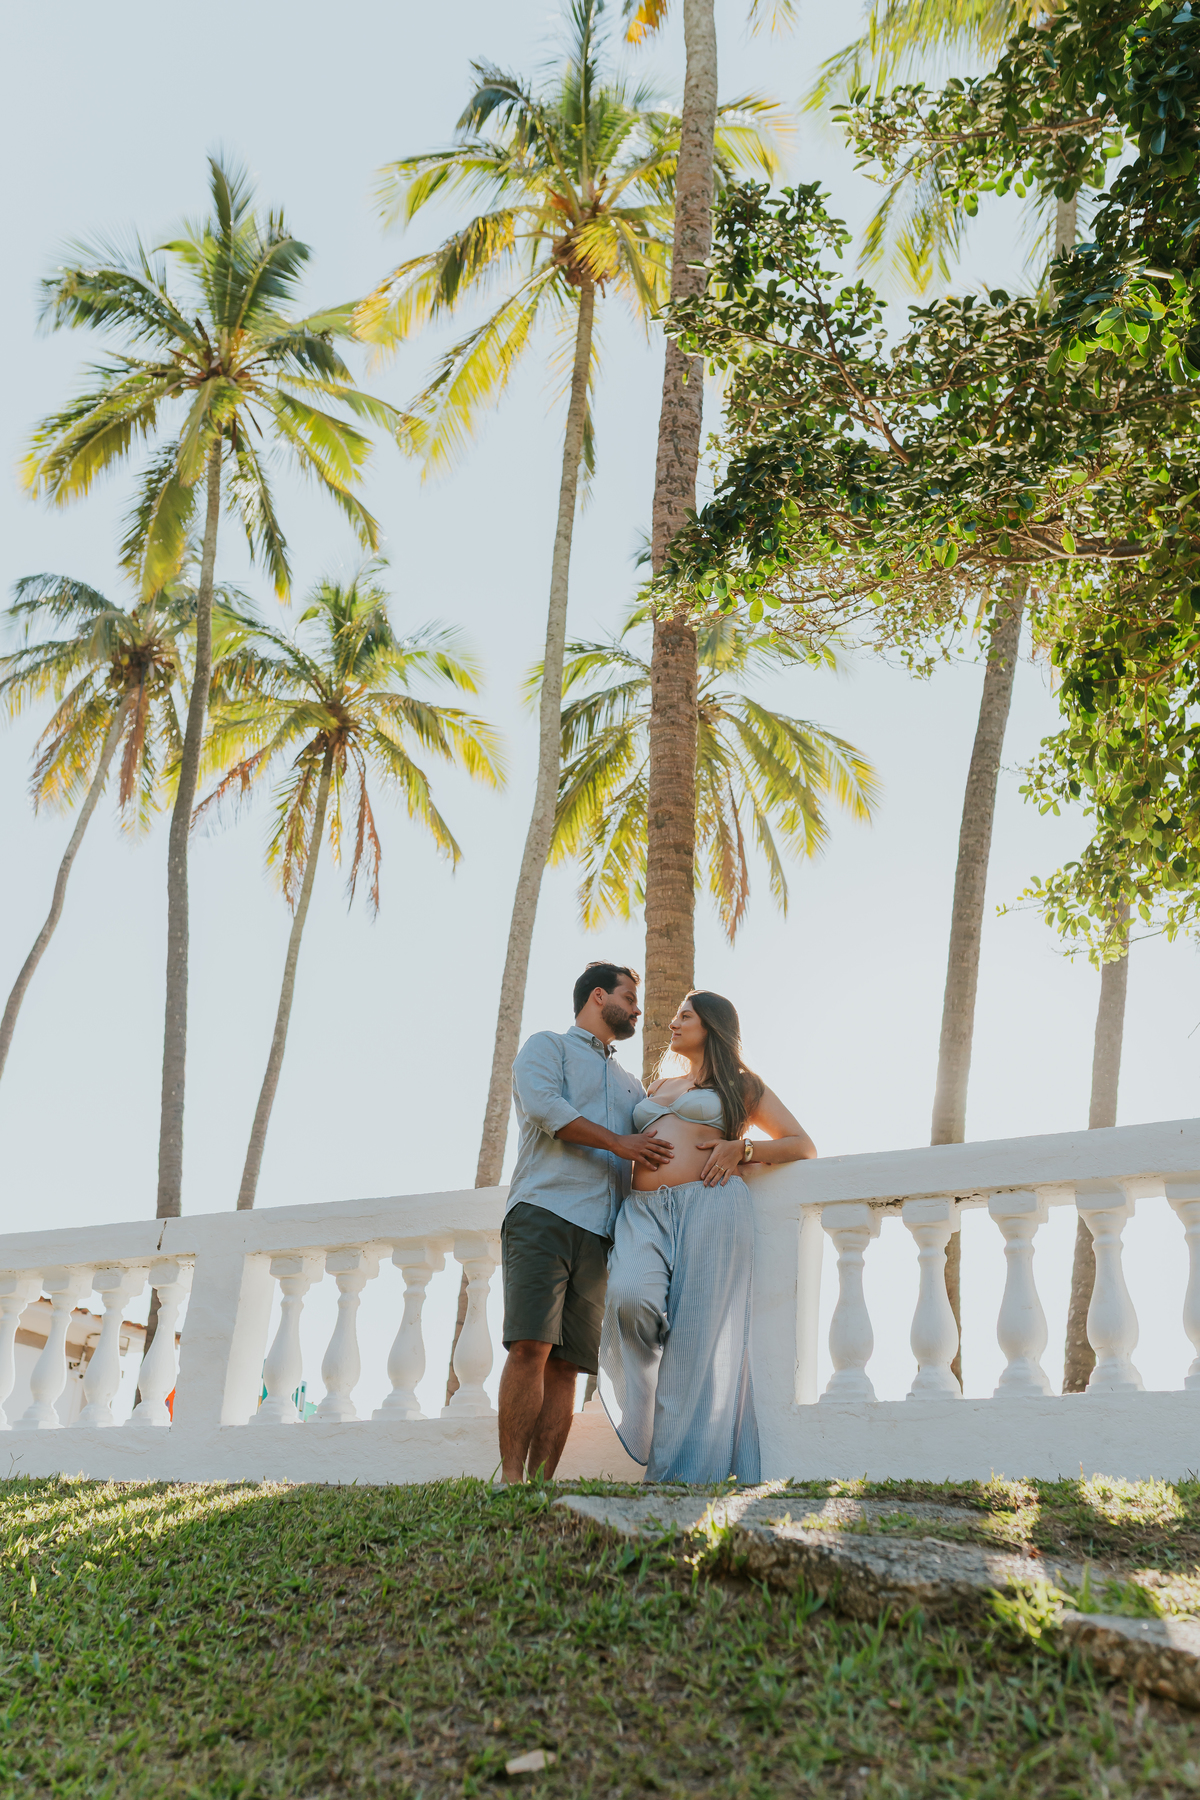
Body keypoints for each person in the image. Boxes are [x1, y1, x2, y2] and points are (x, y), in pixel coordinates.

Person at [599, 990, 816, 1486]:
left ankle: (678, 1477)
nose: (673, 1023)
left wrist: (743, 1148)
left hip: (711, 1206)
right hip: (644, 1212)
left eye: (685, 1016)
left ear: (712, 1026)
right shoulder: (660, 1083)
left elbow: (802, 1145)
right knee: (629, 1299)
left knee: (697, 1343)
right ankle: (652, 1422)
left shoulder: (741, 1086)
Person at [497, 962, 674, 1484]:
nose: (638, 1009)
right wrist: (620, 1142)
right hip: (542, 1214)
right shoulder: (546, 1047)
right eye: (630, 997)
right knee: (531, 1346)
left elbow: (657, 1135)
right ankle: (510, 1484)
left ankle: (539, 1487)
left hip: (602, 1235)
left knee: (569, 1366)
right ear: (599, 997)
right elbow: (545, 1108)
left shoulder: (629, 1086)